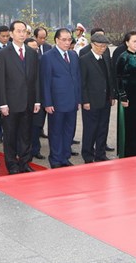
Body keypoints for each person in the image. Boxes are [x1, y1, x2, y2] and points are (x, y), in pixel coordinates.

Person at [0, 20, 41, 174]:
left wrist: (37, 100)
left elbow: (36, 79)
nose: (22, 34)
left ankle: (25, 162)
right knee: (10, 136)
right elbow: (0, 81)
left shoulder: (32, 53)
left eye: (24, 31)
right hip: (11, 103)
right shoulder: (3, 54)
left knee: (26, 135)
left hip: (28, 102)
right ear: (12, 33)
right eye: (19, 31)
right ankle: (12, 164)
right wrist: (2, 104)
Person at [41, 28, 81, 169]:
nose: (67, 42)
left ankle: (65, 157)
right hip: (56, 102)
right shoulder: (48, 56)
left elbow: (77, 78)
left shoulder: (73, 55)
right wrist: (47, 102)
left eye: (69, 39)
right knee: (56, 131)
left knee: (69, 131)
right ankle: (56, 159)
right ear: (56, 40)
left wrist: (78, 99)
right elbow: (45, 81)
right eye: (63, 39)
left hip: (72, 101)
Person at [79, 33, 115, 163]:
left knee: (103, 128)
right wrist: (85, 101)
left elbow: (109, 77)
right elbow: (82, 83)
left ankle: (100, 153)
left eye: (104, 46)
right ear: (92, 45)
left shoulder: (105, 57)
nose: (102, 49)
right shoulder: (84, 59)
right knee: (90, 129)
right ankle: (88, 155)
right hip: (91, 101)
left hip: (105, 99)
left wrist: (112, 95)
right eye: (99, 46)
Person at [115, 31, 136, 158]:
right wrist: (122, 95)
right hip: (128, 95)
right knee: (129, 124)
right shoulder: (123, 57)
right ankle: (128, 152)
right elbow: (118, 78)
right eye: (134, 41)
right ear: (127, 43)